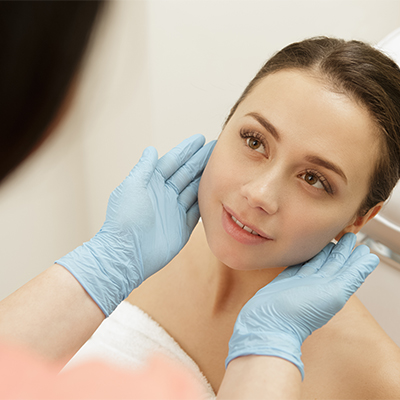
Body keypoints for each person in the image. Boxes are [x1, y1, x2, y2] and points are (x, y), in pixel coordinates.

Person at [0, 2, 386, 399]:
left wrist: (270, 343)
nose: (260, 194)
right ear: (226, 125)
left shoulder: (379, 376)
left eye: (314, 179)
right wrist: (102, 265)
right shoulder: (140, 248)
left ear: (360, 216)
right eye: (254, 141)